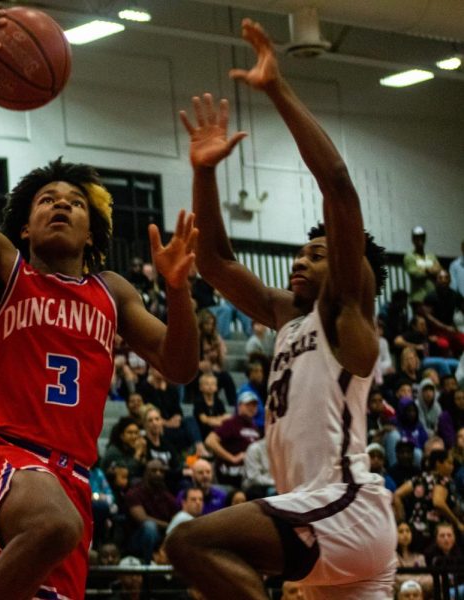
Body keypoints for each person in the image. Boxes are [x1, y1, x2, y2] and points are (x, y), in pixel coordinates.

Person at [0, 12, 199, 600]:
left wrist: (176, 288)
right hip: (5, 458)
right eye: (46, 200)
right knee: (54, 524)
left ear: (94, 231)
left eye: (74, 202)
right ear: (25, 223)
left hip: (72, 477)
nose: (60, 206)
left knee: (59, 542)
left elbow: (181, 366)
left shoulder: (112, 292)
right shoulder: (0, 267)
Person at [166, 20, 396, 599]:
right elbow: (215, 262)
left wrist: (276, 90)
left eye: (317, 254)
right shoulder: (287, 316)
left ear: (350, 270)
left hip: (340, 505)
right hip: (323, 520)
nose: (300, 261)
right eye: (299, 252)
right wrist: (203, 172)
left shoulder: (345, 314)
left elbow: (338, 185)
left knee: (190, 543)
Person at [124, 459, 179, 564]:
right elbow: (142, 518)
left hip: (163, 538)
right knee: (150, 527)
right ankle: (147, 565)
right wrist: (169, 526)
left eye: (161, 471)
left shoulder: (167, 496)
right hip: (137, 539)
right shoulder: (134, 493)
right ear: (145, 473)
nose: (158, 474)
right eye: (154, 470)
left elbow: (176, 517)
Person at [204, 391, 261, 489]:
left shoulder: (255, 428)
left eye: (254, 405)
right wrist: (232, 458)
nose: (252, 408)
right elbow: (210, 441)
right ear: (239, 406)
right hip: (230, 474)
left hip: (249, 474)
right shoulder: (231, 423)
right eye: (248, 404)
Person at [404, 226, 441, 310]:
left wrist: (423, 270)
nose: (420, 239)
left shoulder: (431, 256)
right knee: (421, 322)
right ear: (413, 239)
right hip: (418, 298)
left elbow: (439, 270)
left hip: (433, 297)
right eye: (417, 237)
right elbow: (415, 274)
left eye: (422, 237)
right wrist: (430, 270)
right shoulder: (409, 256)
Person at [395, 521, 432, 598]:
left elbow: (429, 580)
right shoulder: (392, 556)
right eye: (401, 531)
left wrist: (408, 580)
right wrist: (418, 581)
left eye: (408, 531)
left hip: (418, 593)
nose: (405, 534)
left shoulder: (419, 557)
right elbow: (396, 579)